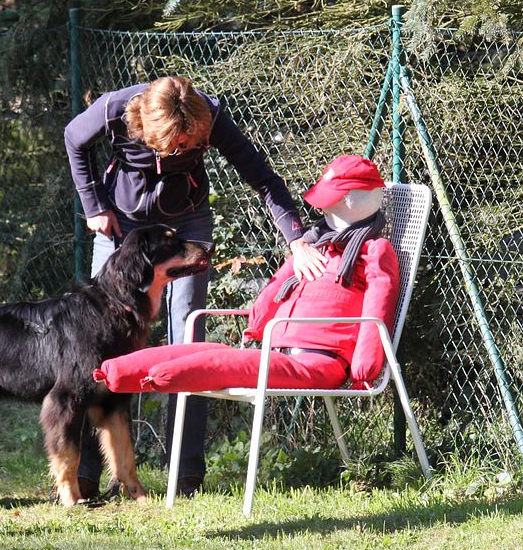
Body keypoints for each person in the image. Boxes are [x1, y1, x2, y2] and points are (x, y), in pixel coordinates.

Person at [64, 75, 327, 498]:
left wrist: (296, 240)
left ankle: (184, 475)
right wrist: (93, 204)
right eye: (174, 145)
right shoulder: (116, 109)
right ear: (148, 128)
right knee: (101, 342)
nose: (182, 150)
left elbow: (263, 178)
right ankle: (86, 475)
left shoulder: (211, 116)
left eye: (190, 144)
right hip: (122, 224)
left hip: (186, 224)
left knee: (188, 340)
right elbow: (74, 138)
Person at [97, 154, 398, 398]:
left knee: (228, 362)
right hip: (277, 349)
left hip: (320, 362)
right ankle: (114, 372)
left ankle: (159, 376)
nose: (325, 207)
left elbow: (378, 308)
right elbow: (277, 287)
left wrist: (364, 368)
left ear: (356, 200)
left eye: (333, 200)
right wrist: (257, 324)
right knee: (208, 351)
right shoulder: (314, 243)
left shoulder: (373, 251)